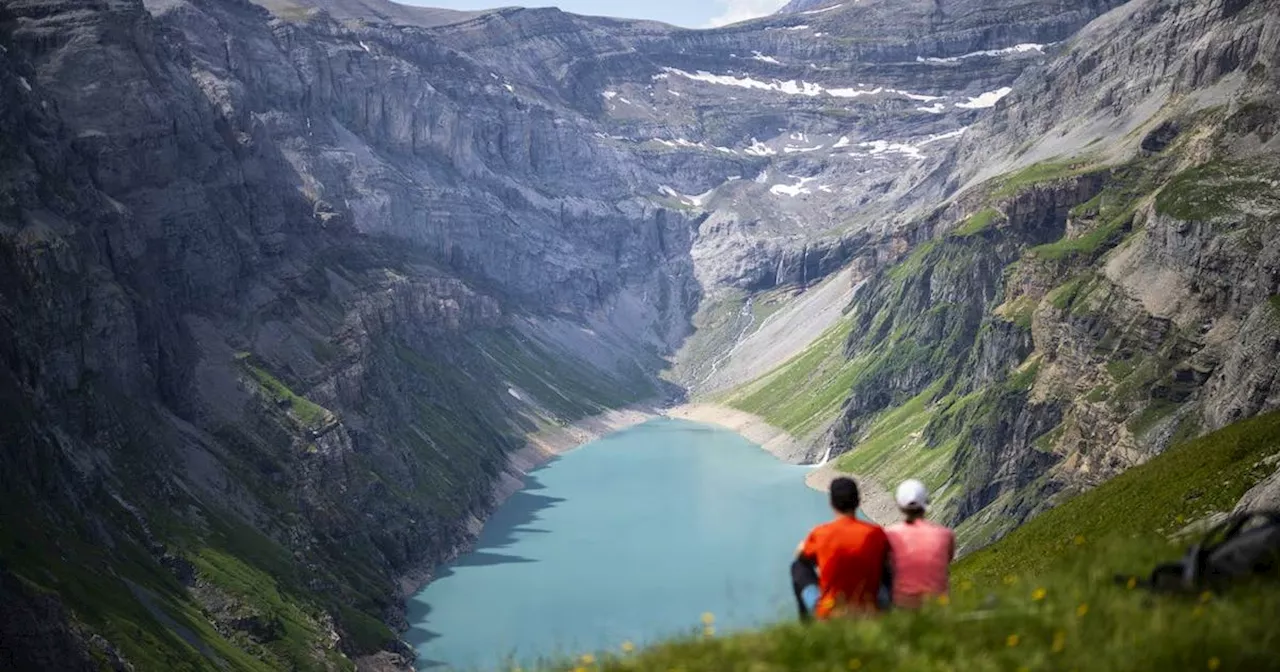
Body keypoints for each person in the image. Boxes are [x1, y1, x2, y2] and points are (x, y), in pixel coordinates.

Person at [791, 477, 892, 620]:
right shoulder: (875, 533)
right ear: (857, 502)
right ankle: (889, 610)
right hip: (868, 609)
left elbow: (800, 556)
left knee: (798, 567)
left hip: (830, 612)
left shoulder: (821, 533)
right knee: (885, 566)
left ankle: (807, 625)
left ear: (831, 503)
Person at [884, 479, 955, 608]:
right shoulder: (946, 535)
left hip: (902, 606)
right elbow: (947, 560)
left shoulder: (890, 535)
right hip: (938, 606)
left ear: (900, 505)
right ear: (925, 502)